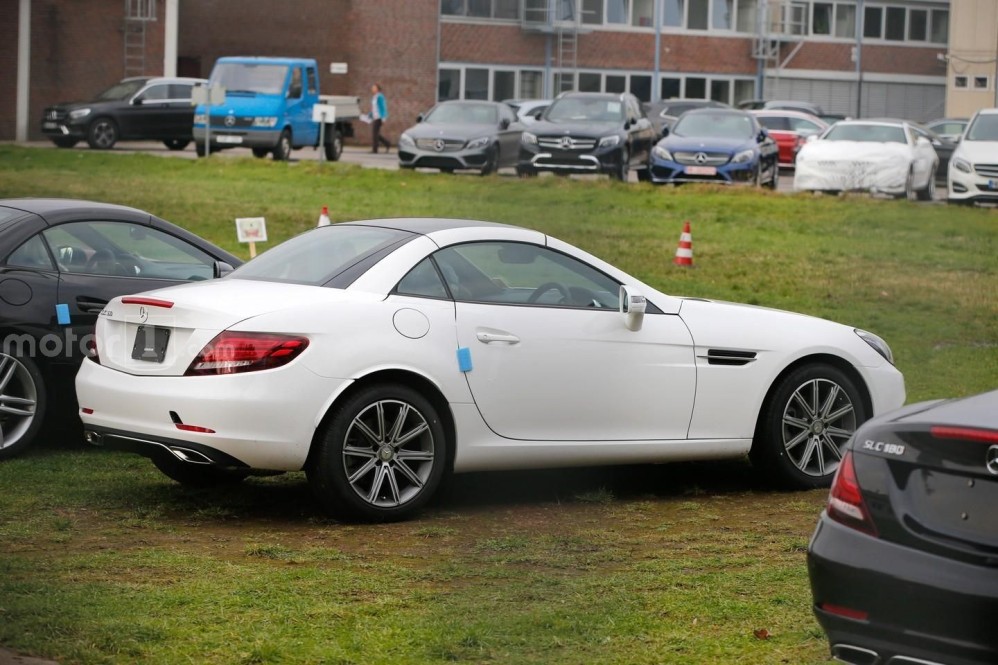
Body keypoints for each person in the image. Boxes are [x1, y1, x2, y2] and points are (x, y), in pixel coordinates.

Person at [369, 83, 390, 153]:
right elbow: (374, 108)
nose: (372, 89)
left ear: (377, 89)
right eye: (372, 87)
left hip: (379, 117)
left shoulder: (380, 96)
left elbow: (383, 107)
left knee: (375, 133)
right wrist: (370, 115)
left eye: (374, 87)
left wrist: (383, 118)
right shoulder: (374, 97)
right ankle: (387, 143)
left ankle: (375, 150)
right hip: (375, 117)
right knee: (376, 134)